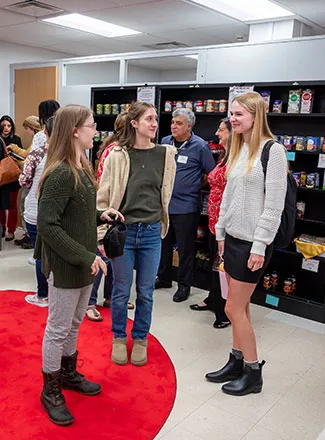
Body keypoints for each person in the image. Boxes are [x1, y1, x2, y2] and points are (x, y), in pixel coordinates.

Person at [36, 104, 123, 426]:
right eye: (90, 125)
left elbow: (74, 215)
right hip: (69, 263)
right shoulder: (60, 172)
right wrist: (87, 256)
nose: (95, 130)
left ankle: (68, 373)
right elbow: (48, 225)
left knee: (73, 323)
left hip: (85, 262)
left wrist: (101, 215)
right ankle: (50, 389)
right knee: (58, 328)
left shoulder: (82, 166)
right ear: (74, 130)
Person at [205, 92, 287, 396]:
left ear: (255, 115)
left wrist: (260, 245)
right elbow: (229, 197)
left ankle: (253, 372)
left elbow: (274, 205)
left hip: (254, 243)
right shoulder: (238, 149)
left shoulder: (273, 151)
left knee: (233, 308)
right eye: (232, 114)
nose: (232, 119)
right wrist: (221, 234)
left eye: (239, 114)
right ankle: (236, 360)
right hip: (234, 241)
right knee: (242, 307)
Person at [97, 101, 177, 366]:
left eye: (156, 119)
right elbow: (103, 199)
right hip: (124, 233)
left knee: (145, 291)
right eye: (149, 119)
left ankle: (140, 337)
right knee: (121, 291)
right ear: (134, 124)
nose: (154, 124)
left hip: (152, 232)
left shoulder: (166, 155)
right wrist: (101, 233)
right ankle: (119, 337)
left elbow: (165, 193)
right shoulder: (117, 155)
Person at [155, 108, 216, 302]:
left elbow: (211, 173)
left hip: (187, 207)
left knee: (185, 248)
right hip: (165, 205)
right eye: (173, 122)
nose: (173, 126)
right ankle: (164, 277)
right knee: (163, 244)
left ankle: (184, 285)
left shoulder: (200, 146)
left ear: (189, 126)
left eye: (179, 123)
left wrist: (196, 185)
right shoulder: (165, 142)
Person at [86, 112, 133, 322]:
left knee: (115, 255)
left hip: (120, 213)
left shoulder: (124, 150)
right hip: (108, 211)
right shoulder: (114, 152)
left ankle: (110, 297)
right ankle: (89, 302)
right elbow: (107, 187)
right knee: (103, 255)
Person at [190, 118, 231, 329]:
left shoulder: (238, 158)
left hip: (226, 223)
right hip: (214, 220)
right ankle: (213, 298)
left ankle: (225, 310)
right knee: (215, 262)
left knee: (224, 266)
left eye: (221, 130)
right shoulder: (224, 156)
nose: (217, 133)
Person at [20, 117, 54, 307]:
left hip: (35, 210)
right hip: (60, 214)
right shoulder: (72, 155)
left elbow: (24, 181)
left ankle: (43, 295)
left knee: (40, 253)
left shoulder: (36, 155)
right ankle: (57, 293)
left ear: (45, 132)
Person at [13, 115, 42, 249]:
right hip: (33, 182)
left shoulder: (38, 141)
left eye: (27, 129)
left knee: (25, 207)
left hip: (31, 182)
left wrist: (18, 159)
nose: (26, 132)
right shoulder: (37, 141)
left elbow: (28, 159)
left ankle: (30, 237)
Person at [0, 115, 23, 241]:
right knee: (1, 205)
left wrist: (15, 158)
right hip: (1, 177)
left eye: (8, 125)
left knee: (13, 205)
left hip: (13, 177)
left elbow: (22, 157)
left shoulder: (16, 140)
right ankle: (2, 227)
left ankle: (11, 230)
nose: (6, 128)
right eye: (3, 126)